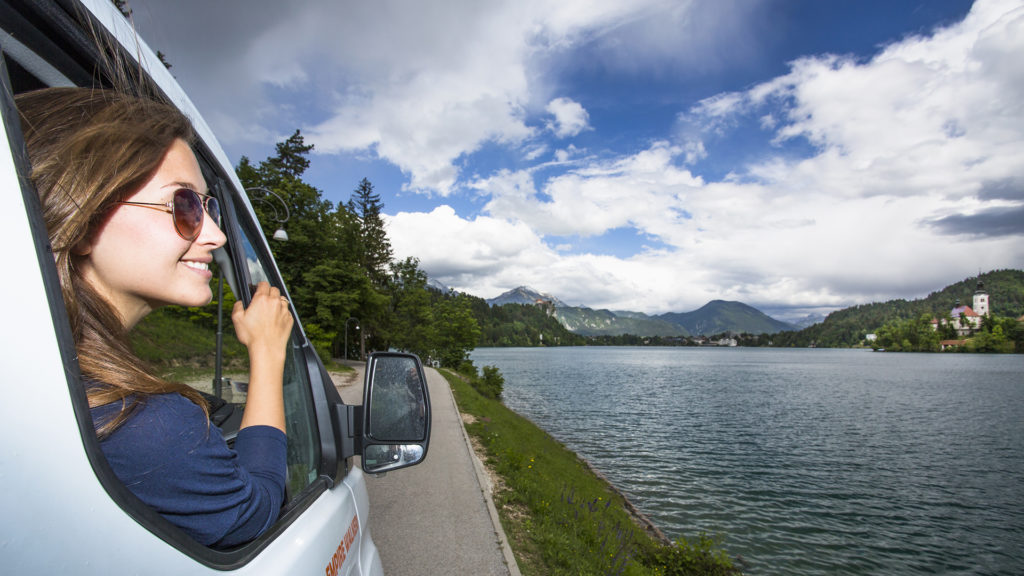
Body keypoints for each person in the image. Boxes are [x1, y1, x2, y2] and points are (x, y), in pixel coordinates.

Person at [16, 87, 294, 549]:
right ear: (81, 215)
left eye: (210, 207)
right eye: (184, 206)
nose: (219, 235)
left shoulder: (47, 379)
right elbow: (257, 512)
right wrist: (266, 354)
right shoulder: (141, 423)